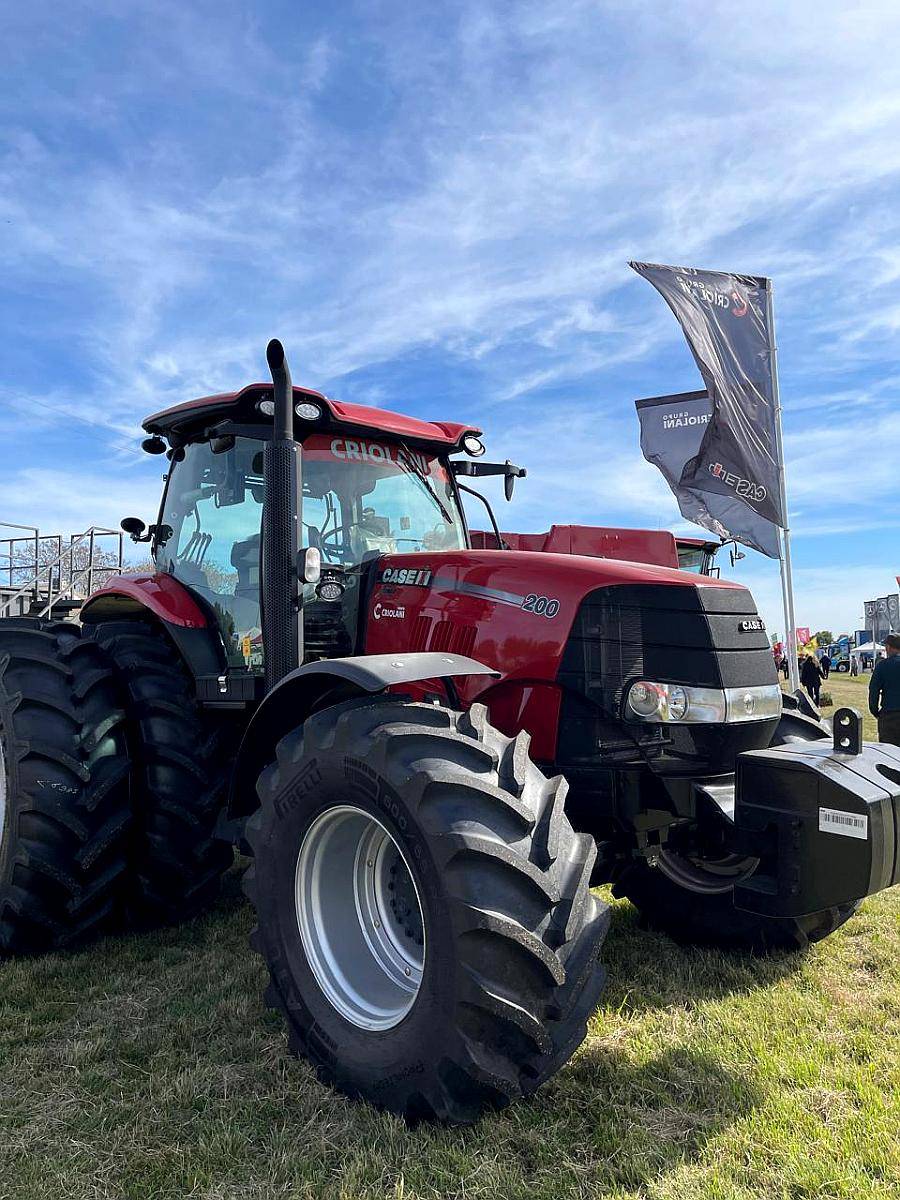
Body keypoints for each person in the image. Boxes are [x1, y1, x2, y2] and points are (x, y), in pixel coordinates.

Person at [869, 633, 900, 746]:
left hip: (889, 716)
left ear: (888, 647)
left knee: (889, 754)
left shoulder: (882, 666)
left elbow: (873, 690)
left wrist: (875, 711)